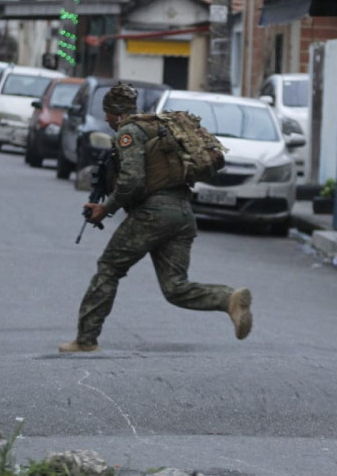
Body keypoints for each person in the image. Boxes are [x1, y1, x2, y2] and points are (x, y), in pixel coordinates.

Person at [59, 82, 253, 353]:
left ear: (116, 113)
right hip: (183, 214)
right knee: (175, 287)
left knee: (109, 268)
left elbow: (133, 181)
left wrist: (107, 207)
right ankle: (228, 299)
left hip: (153, 215)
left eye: (107, 113)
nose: (105, 118)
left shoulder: (129, 133)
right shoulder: (155, 128)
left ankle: (86, 339)